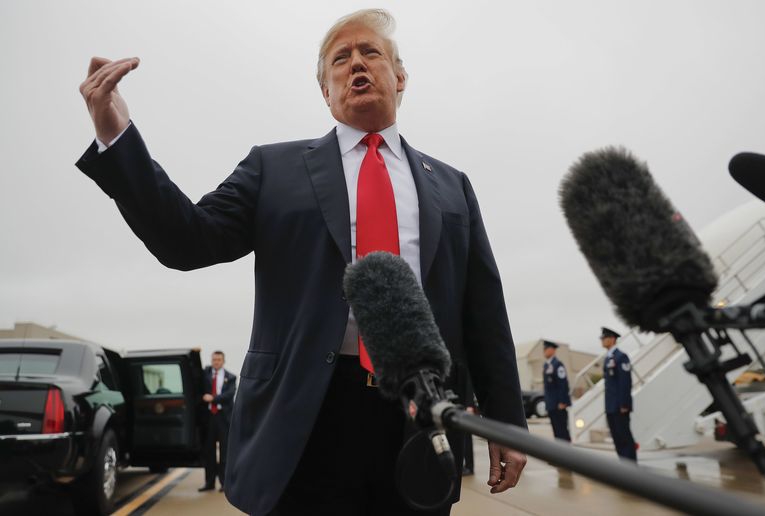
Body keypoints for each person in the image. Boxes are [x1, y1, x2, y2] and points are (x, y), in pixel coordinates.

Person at [75, 9, 526, 515]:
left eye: (370, 52)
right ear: (325, 92)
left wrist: (507, 423)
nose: (356, 63)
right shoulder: (274, 169)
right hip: (302, 418)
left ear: (400, 78)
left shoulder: (452, 186)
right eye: (340, 58)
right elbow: (187, 241)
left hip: (416, 420)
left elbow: (484, 313)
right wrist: (118, 139)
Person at [199, 351, 237, 493]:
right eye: (214, 359)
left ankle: (224, 483)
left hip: (223, 418)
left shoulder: (231, 377)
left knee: (224, 452)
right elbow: (196, 372)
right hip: (209, 418)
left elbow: (229, 395)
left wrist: (213, 399)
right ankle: (209, 483)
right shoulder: (206, 374)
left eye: (219, 359)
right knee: (208, 451)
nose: (216, 362)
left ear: (223, 361)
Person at [600, 327, 637, 461]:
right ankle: (623, 465)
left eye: (604, 338)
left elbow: (625, 382)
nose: (602, 340)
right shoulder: (608, 358)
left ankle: (631, 467)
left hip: (620, 406)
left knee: (624, 437)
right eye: (602, 338)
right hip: (610, 406)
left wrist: (624, 404)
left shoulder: (621, 357)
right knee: (616, 438)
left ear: (613, 339)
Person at [541, 341, 571, 442]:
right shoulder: (546, 365)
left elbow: (563, 384)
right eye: (544, 349)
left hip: (559, 404)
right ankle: (561, 454)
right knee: (556, 432)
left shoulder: (558, 365)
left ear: (552, 350)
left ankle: (567, 454)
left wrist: (563, 402)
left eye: (546, 349)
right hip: (551, 404)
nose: (544, 351)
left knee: (562, 431)